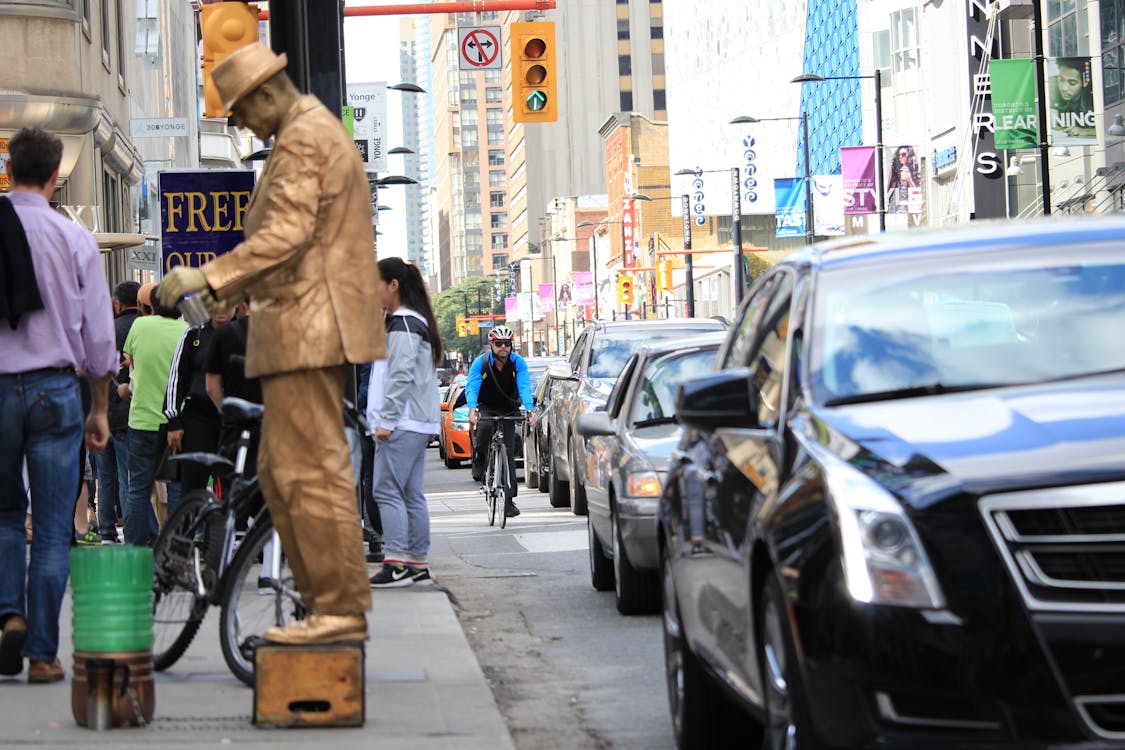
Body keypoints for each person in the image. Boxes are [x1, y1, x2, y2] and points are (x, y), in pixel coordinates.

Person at [158, 43, 385, 645]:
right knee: (286, 472)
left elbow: (285, 234)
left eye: (237, 113)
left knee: (309, 472)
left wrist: (208, 277)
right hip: (300, 328)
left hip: (311, 329)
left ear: (263, 94)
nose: (239, 125)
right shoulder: (303, 136)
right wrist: (225, 292)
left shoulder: (307, 137)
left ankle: (337, 613)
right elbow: (294, 244)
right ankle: (329, 608)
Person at [0, 126, 117, 683]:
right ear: (55, 176)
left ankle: (9, 615)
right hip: (54, 390)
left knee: (1, 515)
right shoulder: (72, 238)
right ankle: (43, 654)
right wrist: (99, 408)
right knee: (50, 527)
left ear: (8, 168)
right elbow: (99, 336)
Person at [367, 258, 442, 588]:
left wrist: (387, 419)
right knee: (410, 493)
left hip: (403, 421)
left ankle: (396, 562)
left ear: (393, 284)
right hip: (414, 420)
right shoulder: (412, 321)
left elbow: (399, 376)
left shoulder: (403, 323)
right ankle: (416, 564)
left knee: (386, 490)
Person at [121, 284, 187, 545]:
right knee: (176, 489)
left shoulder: (139, 327)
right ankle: (175, 546)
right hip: (176, 422)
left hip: (141, 420)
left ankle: (134, 547)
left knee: (137, 488)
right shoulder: (186, 331)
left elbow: (132, 362)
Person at [164, 306, 234, 494]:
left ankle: (229, 523)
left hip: (234, 421)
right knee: (192, 487)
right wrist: (173, 420)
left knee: (234, 487)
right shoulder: (194, 334)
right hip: (198, 418)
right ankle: (191, 522)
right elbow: (177, 377)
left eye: (228, 302)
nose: (221, 308)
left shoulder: (247, 332)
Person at [465, 325, 533, 518]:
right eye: (498, 344)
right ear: (491, 344)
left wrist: (529, 409)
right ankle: (479, 457)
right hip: (487, 406)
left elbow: (524, 386)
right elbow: (472, 385)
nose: (503, 347)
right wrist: (472, 408)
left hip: (509, 407)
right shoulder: (481, 363)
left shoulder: (518, 363)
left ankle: (509, 501)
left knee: (509, 452)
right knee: (485, 429)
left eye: (507, 344)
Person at [95, 281, 140, 543]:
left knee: (105, 476)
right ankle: (132, 533)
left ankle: (106, 531)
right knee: (127, 476)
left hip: (103, 411)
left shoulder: (106, 329)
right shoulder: (141, 327)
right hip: (128, 414)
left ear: (118, 304)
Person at [1051, 57, 1096, 139]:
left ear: (1085, 83)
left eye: (1072, 83)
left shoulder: (1096, 97)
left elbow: (1108, 127)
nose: (1064, 88)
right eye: (1061, 80)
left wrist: (1086, 131)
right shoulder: (1050, 88)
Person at [887, 145, 920, 214]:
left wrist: (909, 179)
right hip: (896, 210)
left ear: (910, 156)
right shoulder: (895, 175)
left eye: (903, 154)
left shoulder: (915, 173)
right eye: (899, 155)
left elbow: (918, 194)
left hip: (910, 210)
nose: (901, 157)